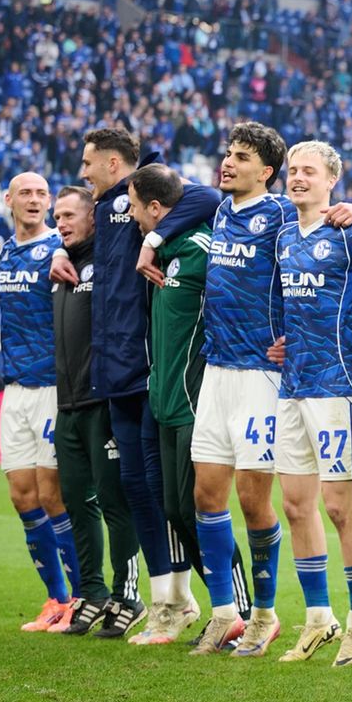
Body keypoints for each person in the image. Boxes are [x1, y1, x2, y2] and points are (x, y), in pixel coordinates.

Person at [52, 127, 229, 638]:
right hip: (113, 373)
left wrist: (152, 236)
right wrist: (55, 252)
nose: (83, 172)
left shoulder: (143, 197)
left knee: (165, 494)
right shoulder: (108, 208)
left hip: (148, 370)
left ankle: (203, 601)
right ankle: (167, 602)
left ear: (113, 164)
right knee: (137, 489)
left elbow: (203, 195)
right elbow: (82, 244)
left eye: (89, 163)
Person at [264, 141, 352, 666]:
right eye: (293, 171)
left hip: (340, 386)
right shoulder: (285, 234)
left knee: (339, 508)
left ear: (332, 179)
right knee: (294, 505)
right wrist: (287, 338)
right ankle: (318, 620)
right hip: (293, 384)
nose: (297, 178)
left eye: (309, 171)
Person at [188, 122, 297, 657]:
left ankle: (265, 615)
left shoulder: (279, 215)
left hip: (260, 374)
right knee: (206, 494)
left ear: (267, 171)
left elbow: (317, 253)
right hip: (217, 370)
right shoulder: (218, 209)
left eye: (242, 157)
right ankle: (223, 613)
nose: (228, 162)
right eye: (228, 154)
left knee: (254, 501)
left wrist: (294, 338)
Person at [47, 186, 142, 637]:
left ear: (93, 217)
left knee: (113, 502)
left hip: (103, 401)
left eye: (68, 214)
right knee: (76, 504)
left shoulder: (109, 266)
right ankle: (92, 591)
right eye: (56, 216)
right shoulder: (61, 265)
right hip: (67, 406)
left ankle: (128, 595)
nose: (61, 222)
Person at [123, 164, 209, 645]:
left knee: (197, 509)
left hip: (192, 404)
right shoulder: (164, 253)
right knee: (171, 509)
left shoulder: (199, 250)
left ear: (156, 209)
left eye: (136, 207)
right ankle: (200, 606)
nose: (132, 216)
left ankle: (237, 607)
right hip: (159, 401)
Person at [0, 172, 81, 632]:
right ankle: (56, 598)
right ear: (8, 200)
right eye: (25, 193)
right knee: (21, 495)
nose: (34, 200)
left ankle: (82, 598)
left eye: (41, 194)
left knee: (53, 495)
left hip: (52, 387)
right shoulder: (3, 253)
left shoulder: (59, 249)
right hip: (14, 390)